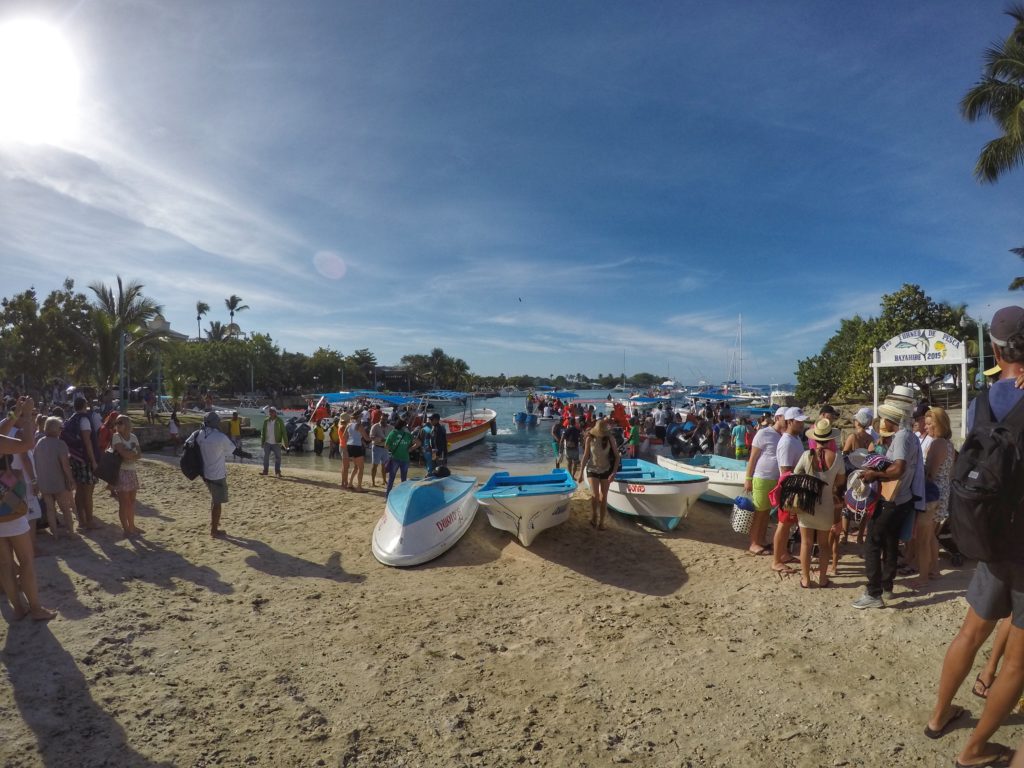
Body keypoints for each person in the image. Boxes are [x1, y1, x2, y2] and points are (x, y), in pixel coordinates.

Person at [926, 306, 1024, 768]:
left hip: (989, 536)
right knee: (1018, 662)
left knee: (970, 633)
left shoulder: (980, 400)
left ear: (997, 348)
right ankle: (976, 748)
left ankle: (940, 715)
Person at [852, 399, 921, 609]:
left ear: (891, 419)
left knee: (873, 543)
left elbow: (898, 468)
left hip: (892, 498)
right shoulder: (910, 436)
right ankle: (887, 585)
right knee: (891, 542)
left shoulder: (900, 437)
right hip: (905, 497)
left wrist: (875, 474)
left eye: (884, 417)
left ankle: (874, 593)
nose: (881, 420)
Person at [0, 397, 56, 620]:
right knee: (26, 560)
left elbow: (3, 430)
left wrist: (17, 414)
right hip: (7, 502)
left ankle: (19, 609)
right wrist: (28, 418)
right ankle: (35, 608)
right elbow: (27, 444)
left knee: (4, 562)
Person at [794, 419, 845, 588]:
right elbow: (840, 481)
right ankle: (823, 578)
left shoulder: (806, 455)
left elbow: (796, 474)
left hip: (807, 504)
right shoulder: (837, 458)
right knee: (824, 544)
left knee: (806, 543)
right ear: (830, 439)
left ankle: (806, 579)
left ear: (815, 438)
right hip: (826, 505)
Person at [907, 406, 953, 590]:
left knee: (923, 539)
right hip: (942, 494)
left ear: (938, 424)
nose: (925, 427)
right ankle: (934, 570)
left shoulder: (937, 444)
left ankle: (923, 576)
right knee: (931, 536)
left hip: (931, 494)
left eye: (928, 424)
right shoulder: (948, 445)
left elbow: (929, 474)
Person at [743, 406, 787, 560]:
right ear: (778, 418)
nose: (788, 421)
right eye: (785, 418)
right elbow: (753, 457)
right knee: (759, 512)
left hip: (774, 479)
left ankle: (761, 540)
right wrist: (748, 479)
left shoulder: (784, 436)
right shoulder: (763, 433)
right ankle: (754, 542)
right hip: (761, 477)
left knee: (766, 513)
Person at [771, 407, 809, 572]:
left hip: (795, 486)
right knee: (783, 524)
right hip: (790, 487)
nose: (802, 424)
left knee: (788, 524)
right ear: (789, 422)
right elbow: (785, 470)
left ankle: (784, 554)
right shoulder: (786, 441)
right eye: (798, 421)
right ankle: (776, 560)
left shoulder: (794, 438)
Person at [34, 416, 76, 538]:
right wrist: (71, 479)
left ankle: (55, 534)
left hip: (44, 481)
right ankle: (71, 533)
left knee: (50, 509)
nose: (61, 430)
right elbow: (65, 465)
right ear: (56, 429)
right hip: (58, 481)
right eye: (60, 428)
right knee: (65, 509)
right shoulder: (60, 444)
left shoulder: (39, 442)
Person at [197, 411, 235, 537]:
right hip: (217, 474)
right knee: (217, 503)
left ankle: (213, 525)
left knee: (214, 499)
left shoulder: (200, 434)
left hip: (205, 473)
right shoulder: (220, 437)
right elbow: (231, 450)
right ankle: (214, 530)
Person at [577, 418, 619, 530]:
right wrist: (580, 473)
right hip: (592, 469)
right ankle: (594, 515)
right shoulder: (590, 438)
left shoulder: (610, 438)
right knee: (595, 496)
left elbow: (617, 456)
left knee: (604, 496)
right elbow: (585, 456)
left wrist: (614, 473)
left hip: (606, 469)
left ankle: (601, 522)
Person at [65, 395, 99, 530]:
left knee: (79, 490)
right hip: (85, 459)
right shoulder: (84, 419)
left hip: (75, 458)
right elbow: (87, 441)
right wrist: (93, 461)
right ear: (85, 405)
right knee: (88, 492)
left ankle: (82, 521)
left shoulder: (71, 419)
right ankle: (89, 521)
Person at [110, 415, 142, 538]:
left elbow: (139, 454)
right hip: (120, 471)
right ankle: (126, 528)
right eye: (116, 422)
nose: (117, 425)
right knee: (124, 502)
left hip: (131, 471)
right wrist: (131, 454)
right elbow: (123, 454)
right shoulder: (116, 437)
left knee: (132, 501)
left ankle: (132, 526)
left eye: (120, 422)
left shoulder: (133, 436)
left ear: (127, 424)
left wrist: (130, 454)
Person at [384, 419, 414, 497]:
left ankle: (388, 496)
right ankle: (403, 495)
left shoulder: (393, 433)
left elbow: (386, 445)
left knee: (391, 478)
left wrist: (392, 449)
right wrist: (410, 449)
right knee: (404, 479)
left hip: (395, 457)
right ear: (403, 426)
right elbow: (418, 442)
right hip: (405, 458)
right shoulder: (407, 434)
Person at [346, 417, 370, 491]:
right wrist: (373, 438)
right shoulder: (359, 426)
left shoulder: (348, 425)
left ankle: (350, 483)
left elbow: (345, 436)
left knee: (356, 466)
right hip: (356, 446)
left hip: (349, 445)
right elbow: (367, 438)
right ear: (358, 417)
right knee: (361, 467)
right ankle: (359, 487)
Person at [260, 407, 285, 477]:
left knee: (278, 457)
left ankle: (277, 472)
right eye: (270, 412)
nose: (270, 413)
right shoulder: (266, 421)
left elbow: (284, 432)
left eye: (272, 412)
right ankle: (265, 471)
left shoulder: (279, 421)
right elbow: (263, 432)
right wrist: (262, 441)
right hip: (267, 442)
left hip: (276, 443)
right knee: (266, 457)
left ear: (275, 413)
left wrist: (286, 443)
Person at [368, 417, 391, 487]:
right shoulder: (375, 426)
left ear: (387, 420)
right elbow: (371, 437)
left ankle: (384, 480)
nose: (383, 420)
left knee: (384, 466)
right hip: (377, 447)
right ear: (380, 419)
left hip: (385, 448)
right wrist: (381, 440)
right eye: (382, 419)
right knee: (375, 465)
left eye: (384, 419)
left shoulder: (390, 427)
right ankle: (373, 482)